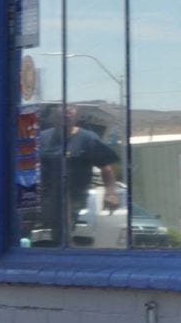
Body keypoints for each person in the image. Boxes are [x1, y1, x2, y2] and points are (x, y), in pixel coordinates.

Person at [33, 105, 120, 247]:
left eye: (69, 113)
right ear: (55, 117)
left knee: (67, 238)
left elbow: (106, 167)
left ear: (77, 117)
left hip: (74, 200)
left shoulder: (87, 139)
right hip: (45, 200)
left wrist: (111, 193)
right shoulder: (42, 138)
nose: (65, 117)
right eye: (62, 114)